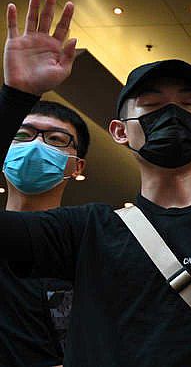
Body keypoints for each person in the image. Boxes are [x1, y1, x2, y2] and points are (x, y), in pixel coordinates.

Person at [1, 0, 191, 366]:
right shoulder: (87, 229)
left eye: (188, 105)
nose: (172, 116)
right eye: (154, 106)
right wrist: (15, 95)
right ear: (120, 131)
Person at [0, 99, 89, 366]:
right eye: (22, 135)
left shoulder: (89, 247)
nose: (36, 145)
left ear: (77, 166)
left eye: (56, 139)